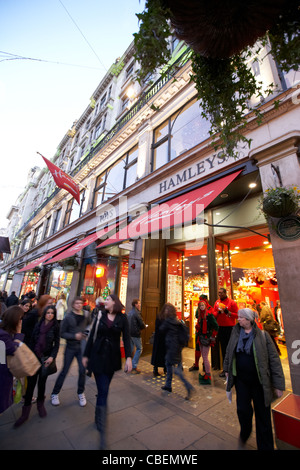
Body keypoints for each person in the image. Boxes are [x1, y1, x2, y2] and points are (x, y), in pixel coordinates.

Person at [223, 308, 285, 450]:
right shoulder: (235, 333)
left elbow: (274, 360)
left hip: (260, 383)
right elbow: (229, 351)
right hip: (242, 382)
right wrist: (226, 369)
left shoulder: (263, 336)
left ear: (249, 320)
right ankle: (245, 431)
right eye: (238, 317)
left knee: (263, 416)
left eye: (241, 318)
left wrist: (278, 385)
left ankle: (266, 446)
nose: (238, 319)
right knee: (243, 410)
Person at [82, 294, 132, 450]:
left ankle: (98, 415)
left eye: (108, 300)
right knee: (103, 391)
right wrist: (86, 355)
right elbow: (91, 337)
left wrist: (129, 357)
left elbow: (128, 338)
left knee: (103, 389)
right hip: (97, 357)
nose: (106, 302)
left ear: (114, 302)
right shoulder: (99, 315)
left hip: (112, 358)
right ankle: (103, 433)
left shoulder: (122, 319)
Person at [14, 305, 60, 427]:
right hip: (34, 358)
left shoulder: (55, 327)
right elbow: (32, 340)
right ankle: (25, 412)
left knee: (42, 384)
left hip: (45, 359)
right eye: (48, 312)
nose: (50, 315)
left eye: (52, 313)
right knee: (30, 385)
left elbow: (57, 344)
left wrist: (52, 357)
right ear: (44, 313)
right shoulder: (38, 325)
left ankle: (40, 405)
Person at [51, 297, 90, 407]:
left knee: (82, 371)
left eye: (80, 303)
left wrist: (86, 334)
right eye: (77, 303)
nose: (79, 305)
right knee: (65, 370)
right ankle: (55, 393)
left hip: (82, 348)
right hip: (70, 347)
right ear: (73, 305)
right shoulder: (68, 317)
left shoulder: (86, 315)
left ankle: (81, 392)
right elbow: (62, 333)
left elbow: (89, 326)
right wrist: (74, 336)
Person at [159, 303, 194, 399]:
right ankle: (168, 385)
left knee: (173, 368)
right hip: (178, 347)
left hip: (171, 347)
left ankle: (188, 385)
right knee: (169, 365)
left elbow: (161, 329)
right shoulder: (176, 321)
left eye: (166, 310)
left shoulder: (168, 321)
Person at [0, 306, 24, 414]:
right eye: (20, 319)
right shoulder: (3, 335)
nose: (21, 322)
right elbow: (13, 349)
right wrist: (19, 333)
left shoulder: (5, 332)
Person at [213, 288, 238, 377]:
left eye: (220, 293)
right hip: (220, 328)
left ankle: (233, 368)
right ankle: (225, 369)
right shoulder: (216, 302)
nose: (219, 294)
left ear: (225, 293)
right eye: (218, 292)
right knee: (223, 349)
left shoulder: (232, 302)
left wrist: (229, 313)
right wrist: (218, 313)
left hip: (230, 328)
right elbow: (214, 314)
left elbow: (237, 315)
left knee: (231, 348)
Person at [194, 299, 219, 385]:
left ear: (205, 306)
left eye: (203, 305)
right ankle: (206, 374)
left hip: (206, 338)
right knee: (204, 356)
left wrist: (212, 336)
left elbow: (216, 326)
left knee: (205, 357)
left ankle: (208, 375)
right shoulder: (200, 316)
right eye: (200, 306)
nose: (201, 307)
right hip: (201, 337)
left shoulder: (209, 315)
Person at [189, 294, 213, 373]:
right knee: (199, 348)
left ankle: (204, 367)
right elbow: (196, 315)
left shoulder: (209, 309)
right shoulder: (204, 308)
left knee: (204, 351)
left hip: (205, 333)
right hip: (200, 332)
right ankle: (199, 364)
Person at [127, 298, 145, 374]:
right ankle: (134, 365)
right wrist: (143, 327)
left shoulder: (130, 312)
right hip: (135, 333)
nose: (140, 305)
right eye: (139, 303)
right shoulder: (137, 313)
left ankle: (128, 365)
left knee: (131, 349)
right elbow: (141, 323)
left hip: (129, 333)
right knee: (139, 348)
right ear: (136, 304)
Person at [150, 309, 167, 377]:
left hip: (159, 340)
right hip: (163, 340)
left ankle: (156, 369)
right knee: (163, 355)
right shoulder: (165, 318)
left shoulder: (159, 317)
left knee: (158, 355)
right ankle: (164, 370)